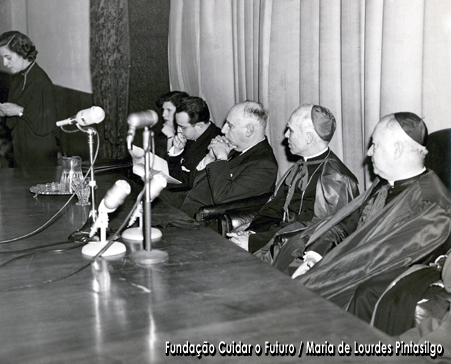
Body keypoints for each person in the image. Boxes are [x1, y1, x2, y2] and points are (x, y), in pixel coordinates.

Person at [281, 112, 450, 311]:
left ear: (396, 150)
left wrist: (323, 272)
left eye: (375, 145)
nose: (369, 152)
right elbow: (347, 224)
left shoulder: (431, 205)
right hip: (343, 265)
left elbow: (381, 258)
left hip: (363, 282)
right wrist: (314, 257)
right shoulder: (384, 184)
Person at [227, 104, 359, 253]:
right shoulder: (300, 166)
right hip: (278, 240)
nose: (286, 135)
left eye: (291, 130)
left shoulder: (335, 179)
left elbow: (316, 233)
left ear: (308, 137)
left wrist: (255, 241)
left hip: (297, 252)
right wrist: (252, 230)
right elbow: (275, 207)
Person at [172, 100, 278, 218]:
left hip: (201, 219)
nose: (223, 130)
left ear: (249, 130)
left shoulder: (264, 165)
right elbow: (194, 181)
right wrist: (210, 157)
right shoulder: (237, 147)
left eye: (230, 126)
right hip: (184, 203)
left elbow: (223, 197)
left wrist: (221, 158)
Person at [0, 31, 57, 167]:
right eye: (2, 58)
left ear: (22, 52)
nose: (4, 63)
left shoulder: (40, 81)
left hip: (39, 151)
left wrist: (19, 111)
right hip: (22, 145)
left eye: (8, 57)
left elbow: (45, 124)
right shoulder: (19, 77)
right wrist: (5, 111)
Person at [167, 96, 222, 189]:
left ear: (199, 126)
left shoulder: (215, 145)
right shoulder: (192, 135)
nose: (178, 131)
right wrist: (177, 151)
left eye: (182, 127)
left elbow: (186, 182)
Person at [154, 91, 189, 159]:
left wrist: (170, 137)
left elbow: (171, 165)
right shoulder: (163, 133)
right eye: (163, 110)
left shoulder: (189, 135)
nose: (163, 115)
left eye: (169, 110)